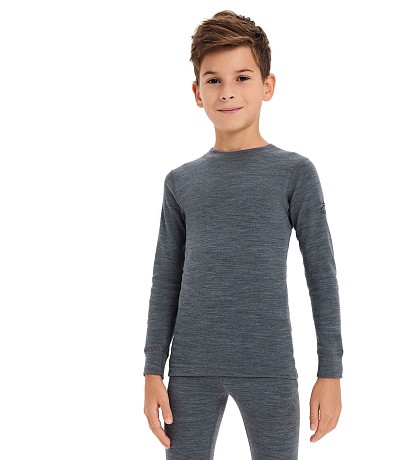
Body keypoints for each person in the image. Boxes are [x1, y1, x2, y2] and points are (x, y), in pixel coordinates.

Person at [143, 10, 344, 460]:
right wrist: (152, 369)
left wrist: (330, 372)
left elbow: (322, 276)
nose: (228, 91)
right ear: (197, 92)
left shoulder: (295, 173)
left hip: (269, 367)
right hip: (189, 371)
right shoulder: (180, 182)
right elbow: (165, 280)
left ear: (267, 85)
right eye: (213, 80)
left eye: (242, 77)